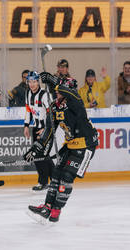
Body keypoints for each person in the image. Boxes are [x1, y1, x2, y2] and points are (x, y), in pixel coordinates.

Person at [25, 72, 99, 223]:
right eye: (56, 90)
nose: (56, 92)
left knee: (66, 177)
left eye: (59, 90)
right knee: (57, 173)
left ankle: (56, 211)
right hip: (70, 145)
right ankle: (47, 207)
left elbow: (68, 91)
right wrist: (36, 148)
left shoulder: (76, 102)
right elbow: (48, 131)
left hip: (86, 145)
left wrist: (53, 80)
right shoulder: (55, 107)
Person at [23, 71, 53, 191]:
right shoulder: (27, 93)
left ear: (38, 82)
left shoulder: (45, 95)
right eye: (29, 81)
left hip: (47, 130)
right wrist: (26, 125)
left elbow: (51, 115)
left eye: (34, 81)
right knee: (38, 156)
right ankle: (50, 180)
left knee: (43, 156)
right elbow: (28, 111)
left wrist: (46, 130)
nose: (32, 84)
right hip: (36, 129)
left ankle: (48, 181)